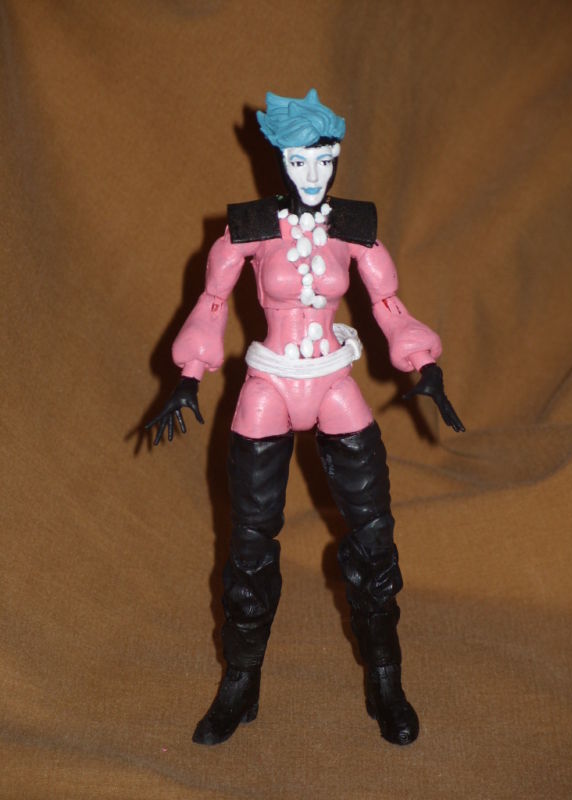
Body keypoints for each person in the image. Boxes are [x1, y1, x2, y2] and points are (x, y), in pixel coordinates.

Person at [146, 89, 464, 747]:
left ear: (336, 158)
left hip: (332, 382)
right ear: (281, 161)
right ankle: (241, 681)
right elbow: (211, 300)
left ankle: (385, 678)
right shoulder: (249, 228)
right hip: (269, 382)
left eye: (324, 160)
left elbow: (389, 302)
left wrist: (422, 363)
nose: (313, 174)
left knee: (374, 535)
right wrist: (188, 375)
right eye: (299, 161)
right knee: (250, 542)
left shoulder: (354, 227)